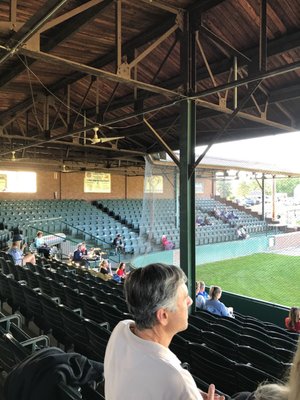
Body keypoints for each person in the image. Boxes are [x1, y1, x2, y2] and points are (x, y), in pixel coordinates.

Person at [104, 262, 225, 400]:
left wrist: (190, 393)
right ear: (163, 316)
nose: (190, 301)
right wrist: (186, 393)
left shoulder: (121, 329)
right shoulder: (177, 379)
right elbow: (167, 380)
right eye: (184, 298)